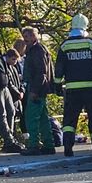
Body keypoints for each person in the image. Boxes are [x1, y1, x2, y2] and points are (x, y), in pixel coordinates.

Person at [54, 13, 92, 157]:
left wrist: (57, 85)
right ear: (86, 26)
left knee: (69, 120)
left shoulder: (65, 45)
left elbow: (59, 68)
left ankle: (68, 148)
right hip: (91, 88)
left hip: (72, 89)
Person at [20, 26, 56, 155]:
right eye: (25, 37)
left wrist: (34, 90)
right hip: (41, 87)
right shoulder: (38, 49)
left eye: (28, 36)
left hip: (36, 87)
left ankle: (34, 144)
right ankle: (48, 144)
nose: (26, 39)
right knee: (42, 118)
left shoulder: (36, 50)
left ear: (34, 36)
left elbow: (41, 72)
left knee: (31, 117)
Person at [2, 48, 25, 138]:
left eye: (16, 59)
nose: (15, 61)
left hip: (17, 97)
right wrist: (17, 93)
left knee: (14, 116)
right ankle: (10, 136)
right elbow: (9, 83)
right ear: (7, 58)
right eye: (13, 59)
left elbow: (20, 82)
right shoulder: (6, 68)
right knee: (10, 115)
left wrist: (22, 91)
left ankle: (13, 135)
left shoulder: (14, 68)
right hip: (12, 96)